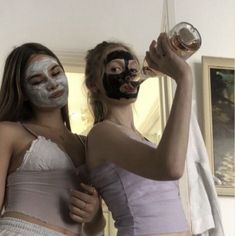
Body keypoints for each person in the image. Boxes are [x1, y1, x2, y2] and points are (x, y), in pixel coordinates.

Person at [79, 33, 193, 236]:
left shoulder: (142, 140)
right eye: (115, 69)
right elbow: (171, 167)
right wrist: (184, 78)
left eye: (132, 69)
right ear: (93, 86)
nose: (128, 75)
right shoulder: (102, 133)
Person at [0, 43, 105, 236]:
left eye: (55, 72)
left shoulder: (89, 143)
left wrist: (95, 214)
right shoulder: (8, 132)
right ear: (22, 92)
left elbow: (95, 229)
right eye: (37, 80)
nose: (52, 83)